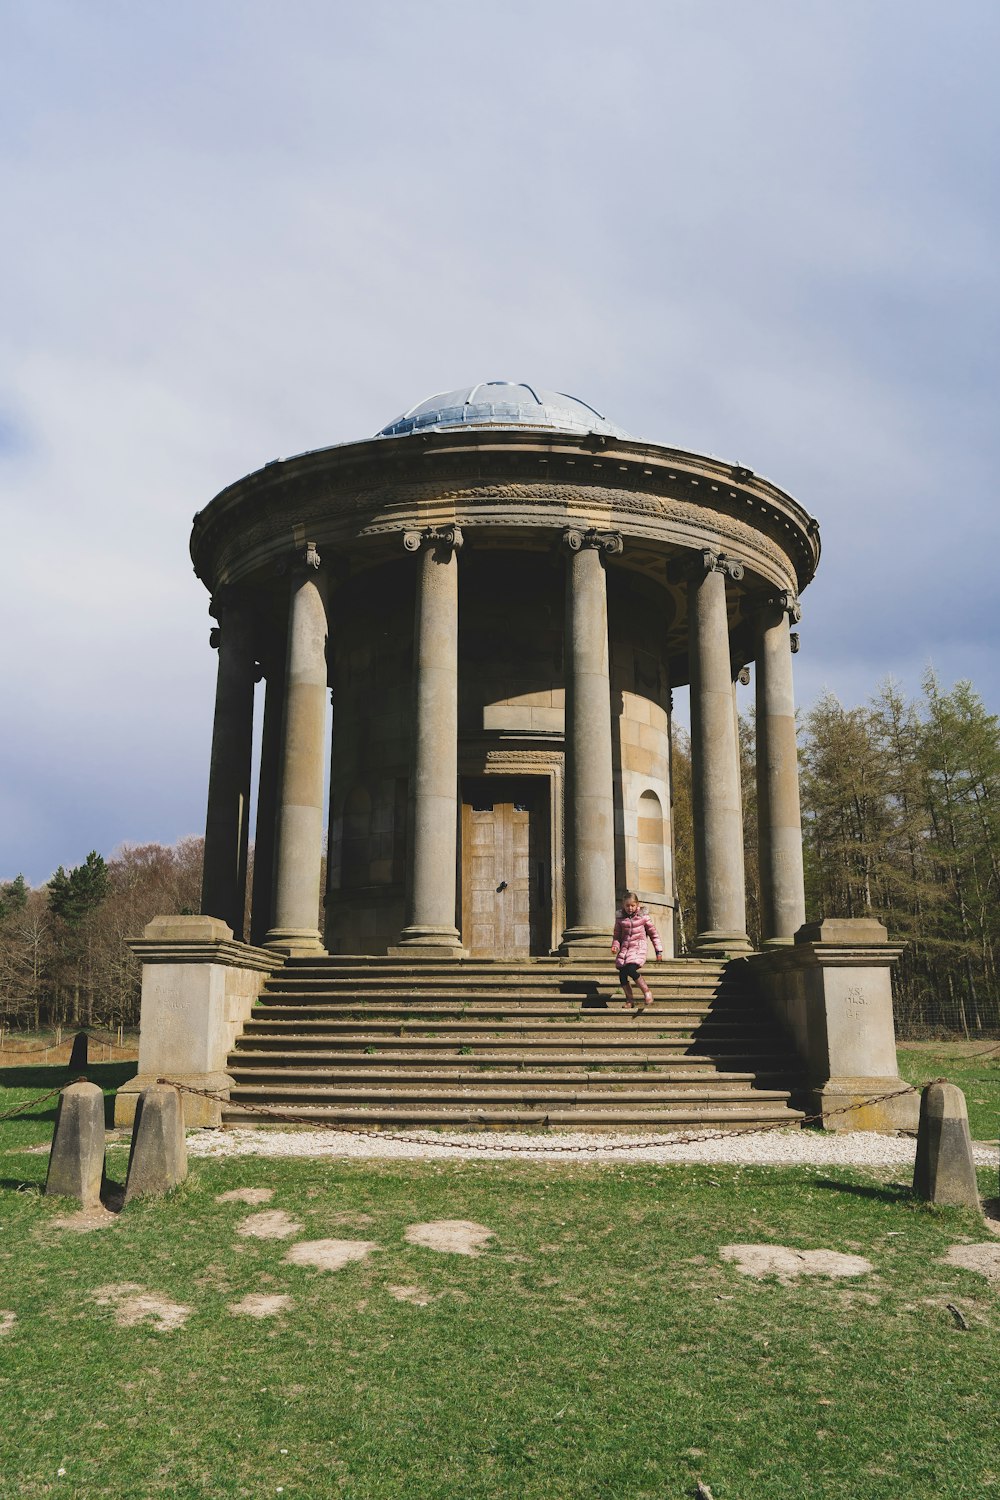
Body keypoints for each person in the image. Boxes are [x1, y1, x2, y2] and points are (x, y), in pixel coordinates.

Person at [611, 892, 663, 1009]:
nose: (630, 908)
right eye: (627, 906)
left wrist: (658, 951)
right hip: (625, 949)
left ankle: (647, 992)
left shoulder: (643, 917)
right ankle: (630, 1000)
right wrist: (615, 946)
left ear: (637, 905)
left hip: (638, 947)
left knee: (631, 969)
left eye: (632, 905)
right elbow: (617, 937)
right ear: (623, 906)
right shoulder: (620, 919)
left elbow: (653, 934)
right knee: (622, 974)